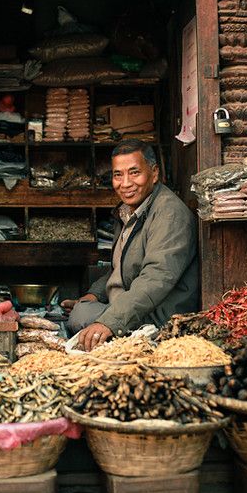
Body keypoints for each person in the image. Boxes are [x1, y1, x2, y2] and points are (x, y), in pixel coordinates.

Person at [61, 139, 198, 351]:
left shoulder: (169, 214)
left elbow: (156, 277)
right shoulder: (130, 210)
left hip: (159, 317)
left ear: (154, 174)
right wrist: (95, 294)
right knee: (82, 310)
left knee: (82, 318)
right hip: (131, 305)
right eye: (118, 175)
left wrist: (109, 322)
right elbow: (122, 266)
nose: (125, 183)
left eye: (134, 173)